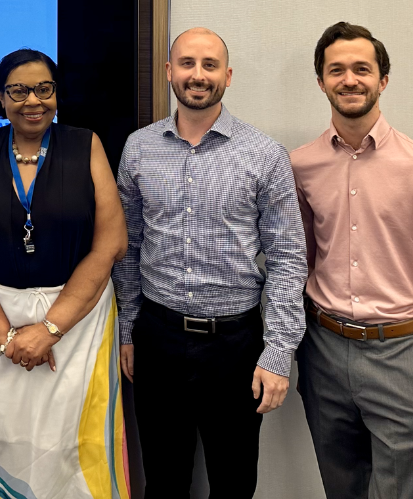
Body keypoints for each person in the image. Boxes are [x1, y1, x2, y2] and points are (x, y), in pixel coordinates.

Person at [114, 27, 307, 498]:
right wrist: (129, 330)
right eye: (187, 64)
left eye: (209, 65)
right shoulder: (138, 148)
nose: (197, 75)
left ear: (227, 75)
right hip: (157, 340)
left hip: (236, 347)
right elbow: (129, 248)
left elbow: (287, 257)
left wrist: (278, 351)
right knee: (163, 480)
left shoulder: (264, 154)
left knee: (234, 481)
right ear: (168, 72)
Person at [0, 49, 130, 498]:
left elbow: (111, 243)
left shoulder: (86, 144)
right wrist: (6, 336)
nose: (33, 101)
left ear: (57, 95)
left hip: (76, 327)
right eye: (18, 91)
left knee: (70, 453)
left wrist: (49, 329)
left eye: (44, 89)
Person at [291, 22, 413, 499]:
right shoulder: (301, 166)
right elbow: (297, 262)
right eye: (336, 70)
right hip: (323, 350)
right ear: (321, 81)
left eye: (362, 69)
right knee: (342, 488)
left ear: (382, 79)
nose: (350, 80)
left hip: (401, 354)